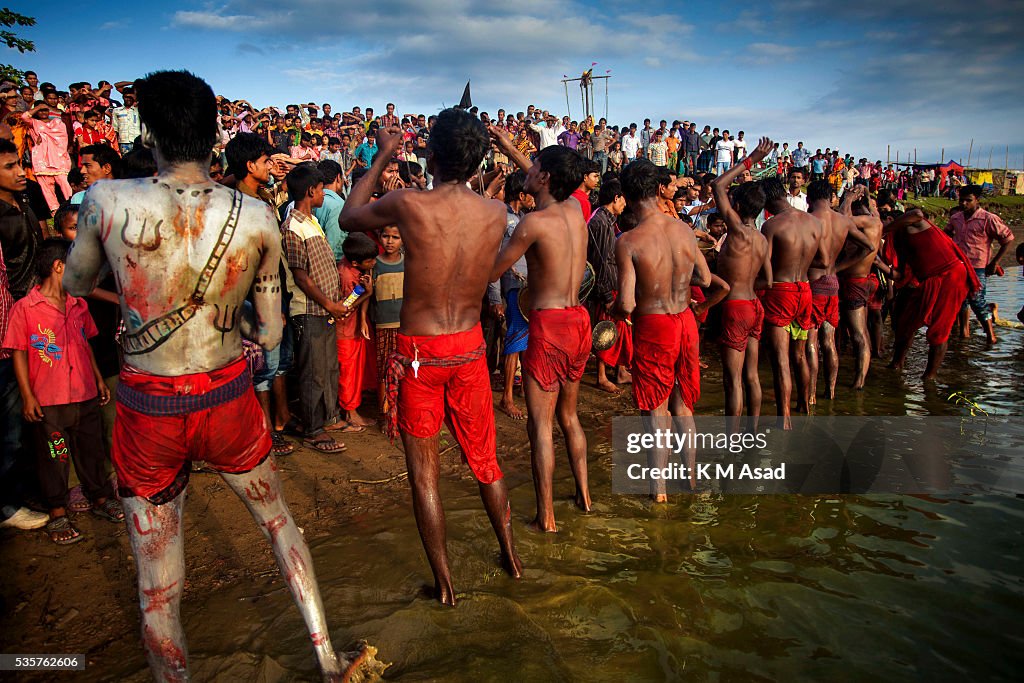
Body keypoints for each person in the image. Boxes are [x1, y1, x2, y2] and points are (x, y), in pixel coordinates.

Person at [63, 71, 358, 680]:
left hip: (148, 407)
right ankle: (328, 661)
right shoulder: (255, 215)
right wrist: (239, 325)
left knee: (157, 585)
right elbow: (272, 332)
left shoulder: (106, 201)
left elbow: (74, 284)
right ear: (216, 132)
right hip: (226, 398)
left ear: (148, 131)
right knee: (280, 526)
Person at [339, 111, 521, 606]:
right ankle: (511, 557)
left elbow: (348, 217)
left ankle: (445, 588)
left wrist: (381, 155)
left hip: (419, 351)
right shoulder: (494, 212)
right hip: (468, 346)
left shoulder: (410, 204)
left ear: (432, 155)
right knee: (487, 462)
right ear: (479, 157)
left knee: (425, 476)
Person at [490, 133, 593, 534]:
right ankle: (584, 497)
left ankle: (546, 517)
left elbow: (494, 271)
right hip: (578, 321)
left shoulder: (532, 224)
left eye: (533, 168)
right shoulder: (576, 211)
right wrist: (505, 143)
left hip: (549, 325)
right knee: (570, 417)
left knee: (541, 426)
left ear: (545, 177)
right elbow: (545, 173)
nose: (526, 172)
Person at [614, 159, 728, 501]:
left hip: (655, 325)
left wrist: (614, 309)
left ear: (628, 194)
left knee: (656, 410)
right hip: (685, 321)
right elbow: (706, 280)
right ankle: (690, 479)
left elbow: (628, 304)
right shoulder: (683, 228)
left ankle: (659, 491)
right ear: (656, 190)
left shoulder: (629, 241)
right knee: (683, 406)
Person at [3, 238, 123, 544]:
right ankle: (57, 509)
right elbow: (18, 351)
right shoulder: (25, 309)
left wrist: (97, 379)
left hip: (84, 394)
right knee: (55, 455)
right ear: (59, 267)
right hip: (50, 403)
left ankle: (99, 497)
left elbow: (86, 344)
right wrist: (28, 395)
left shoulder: (78, 304)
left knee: (91, 450)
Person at [283, 163, 348, 453]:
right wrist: (329, 303)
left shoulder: (310, 221)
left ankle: (325, 419)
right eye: (321, 189)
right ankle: (313, 429)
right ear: (311, 191)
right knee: (313, 371)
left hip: (323, 309)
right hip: (310, 309)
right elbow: (300, 275)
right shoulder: (293, 226)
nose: (324, 194)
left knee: (326, 367)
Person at [711, 140, 772, 428]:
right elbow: (768, 280)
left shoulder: (737, 230)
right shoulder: (760, 238)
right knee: (751, 375)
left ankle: (732, 440)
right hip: (754, 306)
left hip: (736, 307)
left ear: (736, 205)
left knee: (732, 379)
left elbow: (717, 185)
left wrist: (750, 161)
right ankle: (753, 431)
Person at [759, 177, 825, 428]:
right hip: (805, 289)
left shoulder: (771, 226)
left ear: (767, 199)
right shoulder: (814, 223)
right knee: (799, 355)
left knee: (780, 359)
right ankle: (805, 405)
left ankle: (784, 418)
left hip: (781, 291)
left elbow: (766, 269)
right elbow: (823, 260)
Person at [885, 209, 980, 380]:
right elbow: (900, 274)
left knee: (940, 328)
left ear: (892, 220)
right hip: (928, 280)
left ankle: (929, 376)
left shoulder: (913, 225)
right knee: (905, 323)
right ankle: (896, 363)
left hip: (951, 276)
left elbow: (917, 213)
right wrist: (879, 264)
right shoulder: (900, 240)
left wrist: (886, 229)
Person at [805, 182, 873, 400]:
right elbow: (869, 247)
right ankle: (831, 392)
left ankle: (812, 395)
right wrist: (838, 267)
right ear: (831, 198)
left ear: (809, 199)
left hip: (814, 283)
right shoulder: (842, 221)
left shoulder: (809, 220)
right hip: (833, 283)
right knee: (829, 341)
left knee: (811, 342)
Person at [486, 169, 533, 420]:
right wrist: (494, 297)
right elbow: (493, 256)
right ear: (521, 194)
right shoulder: (503, 217)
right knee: (514, 342)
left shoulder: (523, 217)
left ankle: (523, 388)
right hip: (511, 286)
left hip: (525, 286)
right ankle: (506, 397)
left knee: (524, 341)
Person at [948, 185, 1014, 344]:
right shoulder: (956, 218)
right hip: (959, 264)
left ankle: (991, 335)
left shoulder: (988, 219)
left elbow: (1008, 239)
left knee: (977, 300)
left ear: (977, 200)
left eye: (968, 200)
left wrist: (994, 262)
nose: (964, 204)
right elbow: (947, 234)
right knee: (961, 300)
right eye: (962, 200)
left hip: (978, 266)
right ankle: (964, 332)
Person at [836, 185, 884, 390]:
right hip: (860, 280)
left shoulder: (867, 221)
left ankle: (859, 381)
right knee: (861, 330)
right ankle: (861, 375)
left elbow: (841, 220)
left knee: (858, 333)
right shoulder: (874, 218)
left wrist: (847, 198)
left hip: (856, 281)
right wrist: (865, 192)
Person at [588, 178, 633, 394]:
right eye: (623, 199)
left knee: (618, 329)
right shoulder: (600, 222)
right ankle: (601, 375)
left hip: (611, 282)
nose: (625, 204)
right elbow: (601, 260)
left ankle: (620, 371)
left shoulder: (607, 219)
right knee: (604, 330)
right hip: (604, 286)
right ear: (616, 198)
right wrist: (607, 296)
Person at [335, 233, 377, 430]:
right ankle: (350, 414)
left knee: (356, 369)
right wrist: (367, 292)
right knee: (348, 373)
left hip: (354, 326)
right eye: (370, 260)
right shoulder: (346, 275)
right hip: (344, 330)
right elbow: (346, 305)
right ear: (356, 262)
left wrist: (362, 319)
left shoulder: (356, 267)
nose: (374, 263)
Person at [372, 225, 404, 425]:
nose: (390, 241)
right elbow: (367, 296)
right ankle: (386, 416)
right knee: (384, 371)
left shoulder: (408, 263)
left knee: (404, 371)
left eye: (395, 237)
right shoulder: (374, 264)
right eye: (386, 236)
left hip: (403, 326)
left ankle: (402, 413)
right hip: (382, 326)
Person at [22, 95, 72, 212]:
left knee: (65, 184)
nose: (43, 112)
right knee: (47, 187)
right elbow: (24, 116)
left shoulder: (58, 122)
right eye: (40, 110)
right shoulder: (34, 123)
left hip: (59, 158)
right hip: (41, 160)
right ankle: (55, 210)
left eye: (45, 109)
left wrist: (44, 137)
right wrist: (39, 106)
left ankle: (73, 205)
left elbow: (62, 138)